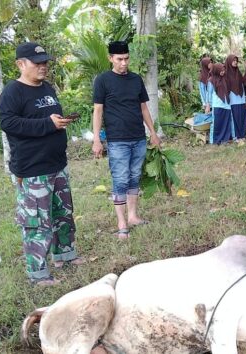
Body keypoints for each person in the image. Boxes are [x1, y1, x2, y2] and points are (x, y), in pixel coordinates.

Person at [0, 42, 85, 286]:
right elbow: (9, 124)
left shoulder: (46, 88)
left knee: (63, 215)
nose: (43, 67)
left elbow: (49, 116)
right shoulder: (12, 92)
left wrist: (59, 121)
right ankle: (37, 274)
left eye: (45, 62)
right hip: (33, 170)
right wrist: (48, 124)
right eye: (37, 63)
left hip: (57, 165)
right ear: (20, 64)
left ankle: (65, 255)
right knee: (37, 223)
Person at [92, 41, 161, 239]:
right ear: (110, 58)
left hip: (138, 137)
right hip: (117, 140)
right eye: (119, 59)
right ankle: (121, 222)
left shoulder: (135, 79)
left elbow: (143, 108)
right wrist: (97, 139)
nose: (124, 63)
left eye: (126, 58)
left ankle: (132, 216)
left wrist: (153, 133)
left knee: (134, 177)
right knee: (120, 179)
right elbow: (98, 111)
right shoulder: (103, 81)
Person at [207, 63, 233, 145]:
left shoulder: (225, 79)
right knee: (217, 124)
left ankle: (225, 140)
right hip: (217, 105)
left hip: (226, 105)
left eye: (223, 70)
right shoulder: (211, 80)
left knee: (226, 123)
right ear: (217, 70)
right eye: (221, 70)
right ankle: (214, 141)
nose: (223, 72)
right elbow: (209, 94)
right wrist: (208, 105)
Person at [225, 54, 246, 140]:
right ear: (229, 61)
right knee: (235, 117)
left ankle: (242, 134)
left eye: (236, 61)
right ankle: (236, 135)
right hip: (233, 100)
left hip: (241, 99)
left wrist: (245, 98)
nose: (235, 62)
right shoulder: (226, 73)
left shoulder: (238, 72)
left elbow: (242, 85)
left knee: (241, 117)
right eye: (233, 61)